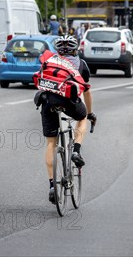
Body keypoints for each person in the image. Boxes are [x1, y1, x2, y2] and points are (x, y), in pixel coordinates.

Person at [36, 35, 96, 204]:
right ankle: (76, 150)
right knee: (82, 118)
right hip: (70, 102)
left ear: (58, 50)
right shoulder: (81, 64)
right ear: (75, 49)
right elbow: (86, 91)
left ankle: (52, 186)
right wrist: (90, 113)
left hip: (48, 102)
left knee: (50, 144)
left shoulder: (49, 61)